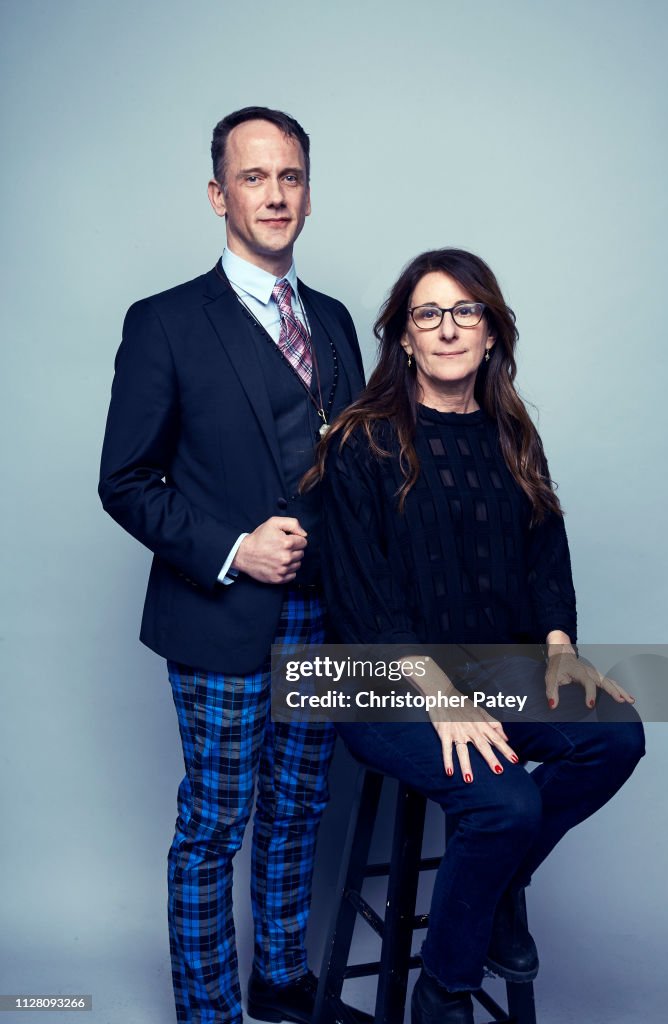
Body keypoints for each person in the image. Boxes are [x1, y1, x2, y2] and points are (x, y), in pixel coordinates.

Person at [305, 249, 645, 1024]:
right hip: (386, 683)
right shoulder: (364, 441)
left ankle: (488, 895)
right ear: (404, 338)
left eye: (466, 312)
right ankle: (443, 988)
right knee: (504, 801)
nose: (448, 328)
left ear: (490, 333)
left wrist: (560, 646)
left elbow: (543, 554)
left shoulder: (511, 434)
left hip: (500, 669)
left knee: (615, 736)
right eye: (428, 313)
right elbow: (362, 604)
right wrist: (442, 701)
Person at [99, 107, 370, 1024]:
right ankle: (208, 1011)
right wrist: (232, 548)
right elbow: (126, 481)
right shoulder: (165, 322)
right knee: (214, 825)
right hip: (218, 613)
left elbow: (355, 471)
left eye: (289, 176)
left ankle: (282, 980)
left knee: (298, 811)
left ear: (307, 191)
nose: (275, 194)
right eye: (254, 177)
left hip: (324, 613)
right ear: (219, 194)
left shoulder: (332, 322)